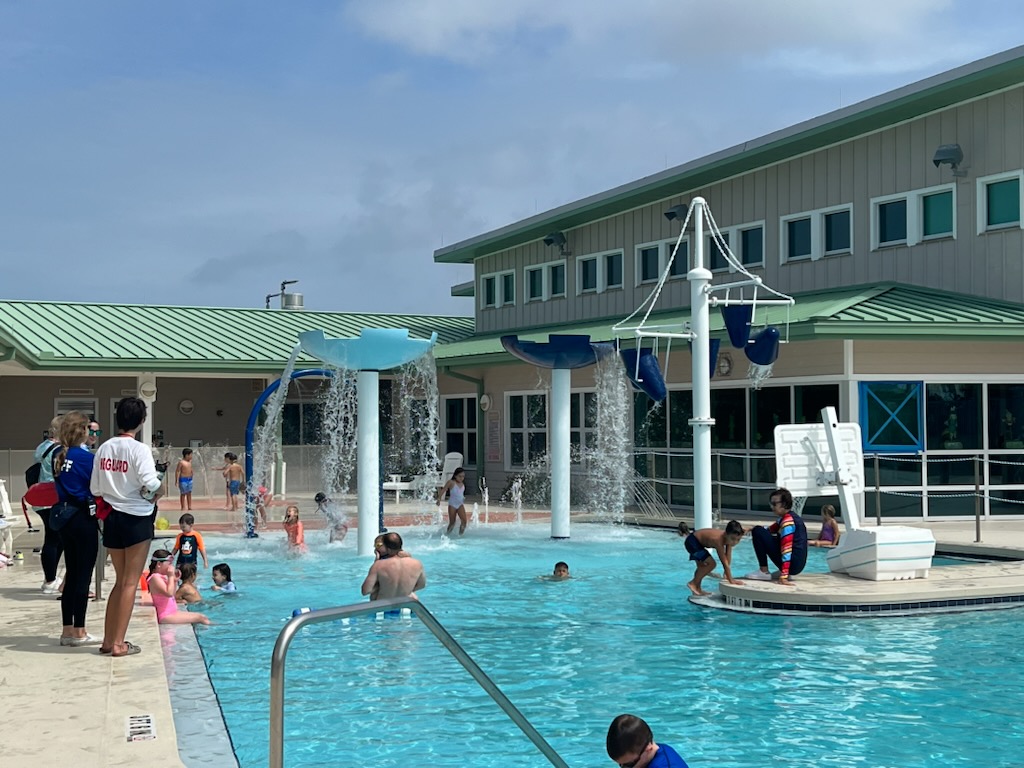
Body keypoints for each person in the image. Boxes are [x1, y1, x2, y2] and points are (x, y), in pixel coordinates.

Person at [91, 396, 163, 657]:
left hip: (111, 518)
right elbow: (150, 482)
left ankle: (109, 640)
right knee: (131, 583)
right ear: (142, 421)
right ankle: (120, 644)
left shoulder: (104, 448)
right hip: (136, 517)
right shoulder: (139, 449)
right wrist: (160, 489)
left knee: (120, 582)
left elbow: (95, 488)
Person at [52, 411, 101, 646]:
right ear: (82, 432)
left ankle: (67, 629)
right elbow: (97, 488)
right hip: (83, 518)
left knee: (71, 572)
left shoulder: (58, 456)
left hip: (64, 518)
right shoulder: (87, 459)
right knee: (84, 575)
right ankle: (80, 630)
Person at [749, 488, 808, 586]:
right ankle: (785, 571)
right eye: (771, 503)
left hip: (793, 564)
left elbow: (787, 549)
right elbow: (769, 530)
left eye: (774, 503)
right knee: (759, 531)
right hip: (797, 564)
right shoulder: (788, 517)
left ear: (784, 504)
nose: (772, 507)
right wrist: (749, 529)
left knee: (757, 531)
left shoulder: (787, 522)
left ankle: (764, 571)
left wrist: (783, 576)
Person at [33, 416, 64, 594]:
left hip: (42, 498)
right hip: (53, 498)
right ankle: (50, 580)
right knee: (53, 539)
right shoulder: (58, 449)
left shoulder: (43, 447)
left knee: (55, 538)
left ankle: (49, 577)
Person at [678, 520, 744, 596]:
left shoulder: (729, 537)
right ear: (726, 534)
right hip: (692, 542)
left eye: (738, 540)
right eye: (733, 539)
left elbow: (728, 556)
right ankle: (693, 583)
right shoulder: (718, 540)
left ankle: (697, 588)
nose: (735, 542)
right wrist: (731, 580)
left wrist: (726, 574)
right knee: (711, 564)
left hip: (696, 541)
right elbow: (724, 561)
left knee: (702, 566)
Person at [146, 550, 211, 625]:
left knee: (203, 617)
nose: (171, 566)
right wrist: (170, 576)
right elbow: (169, 593)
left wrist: (174, 580)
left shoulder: (161, 577)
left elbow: (172, 594)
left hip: (172, 612)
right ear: (159, 564)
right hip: (165, 615)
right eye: (169, 563)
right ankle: (216, 631)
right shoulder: (155, 578)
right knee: (200, 618)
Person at [361, 532, 425, 601]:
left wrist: (384, 587)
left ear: (387, 548)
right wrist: (405, 590)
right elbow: (421, 585)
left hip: (382, 607)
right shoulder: (417, 563)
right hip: (404, 605)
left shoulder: (378, 565)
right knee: (413, 596)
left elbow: (365, 591)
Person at [606, 714, 689, 768]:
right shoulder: (661, 750)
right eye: (621, 765)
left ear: (648, 749)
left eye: (629, 765)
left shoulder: (664, 765)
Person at [438, 466, 468, 536]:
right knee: (452, 522)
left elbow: (460, 494)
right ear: (455, 476)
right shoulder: (451, 482)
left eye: (463, 476)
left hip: (460, 504)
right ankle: (447, 534)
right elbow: (443, 489)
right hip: (452, 505)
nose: (461, 478)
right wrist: (439, 498)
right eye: (459, 476)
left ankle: (460, 535)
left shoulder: (462, 484)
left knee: (464, 521)